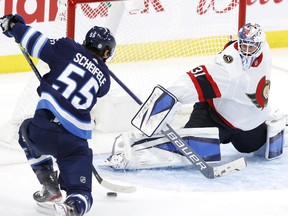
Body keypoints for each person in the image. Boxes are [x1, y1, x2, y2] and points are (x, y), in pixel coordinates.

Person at [106, 22, 286, 170]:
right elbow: (189, 82)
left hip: (250, 126)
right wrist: (162, 105)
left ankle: (278, 121)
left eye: (251, 46)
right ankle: (130, 154)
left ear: (261, 45)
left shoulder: (266, 51)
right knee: (189, 150)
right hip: (215, 119)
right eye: (243, 45)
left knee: (257, 147)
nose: (246, 50)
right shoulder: (227, 68)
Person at [0, 14, 116, 215]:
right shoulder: (105, 80)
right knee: (82, 193)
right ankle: (72, 208)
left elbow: (35, 41)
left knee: (25, 130)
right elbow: (93, 76)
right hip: (77, 143)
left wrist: (14, 26)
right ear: (106, 51)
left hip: (45, 130)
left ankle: (50, 186)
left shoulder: (67, 48)